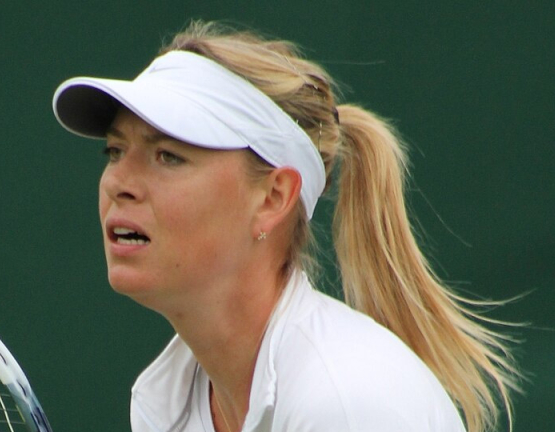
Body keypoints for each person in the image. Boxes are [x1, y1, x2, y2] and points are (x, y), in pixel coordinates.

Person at [52, 21, 520, 432]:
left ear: (274, 197)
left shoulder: (348, 404)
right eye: (115, 151)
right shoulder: (166, 402)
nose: (120, 183)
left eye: (168, 156)